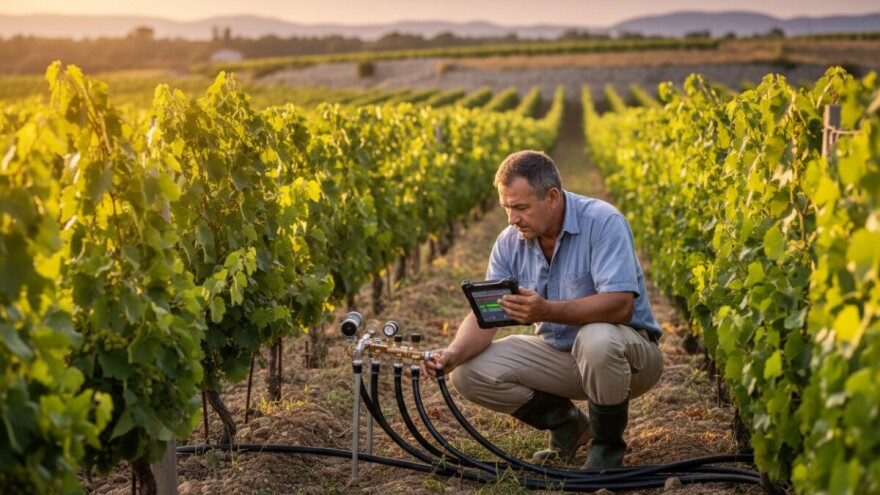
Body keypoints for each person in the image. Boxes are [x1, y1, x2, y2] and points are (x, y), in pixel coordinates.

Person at [425, 150, 663, 470]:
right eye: (507, 207)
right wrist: (452, 354)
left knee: (596, 338)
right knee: (468, 372)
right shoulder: (510, 241)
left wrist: (545, 310)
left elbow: (620, 306)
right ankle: (568, 424)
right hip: (562, 355)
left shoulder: (603, 222)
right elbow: (486, 316)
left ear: (552, 197)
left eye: (521, 207)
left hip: (628, 358)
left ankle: (606, 450)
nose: (512, 218)